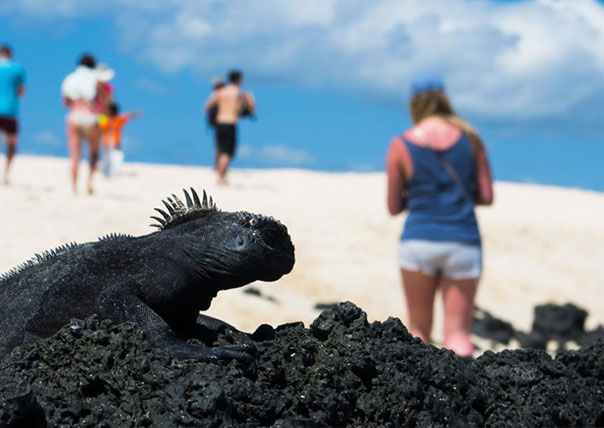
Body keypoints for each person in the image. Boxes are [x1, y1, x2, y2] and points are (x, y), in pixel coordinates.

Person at [386, 72, 494, 357]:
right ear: (444, 100)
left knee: (417, 332)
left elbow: (394, 206)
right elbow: (486, 196)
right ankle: (463, 397)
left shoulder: (401, 144)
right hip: (462, 241)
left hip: (419, 241)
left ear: (414, 104)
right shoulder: (470, 138)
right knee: (458, 335)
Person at [204, 70, 256, 185]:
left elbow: (207, 107)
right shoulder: (239, 93)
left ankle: (219, 171)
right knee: (227, 152)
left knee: (219, 147)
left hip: (219, 123)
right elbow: (252, 108)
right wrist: (248, 99)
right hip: (231, 123)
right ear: (238, 80)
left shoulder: (220, 92)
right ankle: (221, 176)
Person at [61, 53, 101, 195]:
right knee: (94, 153)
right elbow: (103, 101)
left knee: (75, 156)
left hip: (75, 115)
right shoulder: (97, 78)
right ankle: (89, 183)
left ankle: (74, 188)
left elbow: (65, 102)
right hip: (91, 115)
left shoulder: (70, 78)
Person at [0, 44, 26, 185]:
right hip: (10, 111)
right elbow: (21, 92)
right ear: (11, 55)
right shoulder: (18, 69)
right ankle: (6, 174)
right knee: (11, 145)